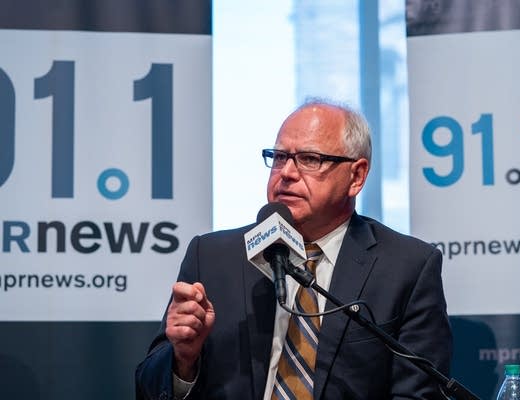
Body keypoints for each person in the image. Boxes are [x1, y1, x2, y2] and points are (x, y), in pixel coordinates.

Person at [135, 99, 452, 399]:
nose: (286, 172)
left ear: (356, 176)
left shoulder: (406, 267)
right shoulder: (213, 257)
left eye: (310, 159)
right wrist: (183, 359)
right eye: (279, 157)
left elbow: (418, 393)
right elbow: (149, 390)